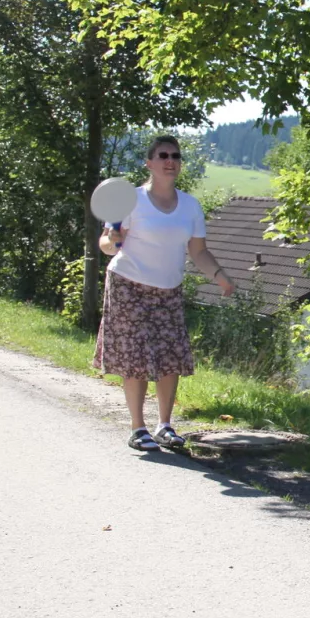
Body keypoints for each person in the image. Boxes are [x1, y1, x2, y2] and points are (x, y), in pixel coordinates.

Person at [94, 136, 235, 451]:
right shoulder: (130, 200)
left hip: (169, 290)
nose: (170, 161)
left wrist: (220, 275)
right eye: (163, 155)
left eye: (175, 156)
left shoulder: (190, 206)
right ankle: (137, 428)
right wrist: (113, 240)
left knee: (170, 356)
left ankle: (165, 426)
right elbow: (106, 244)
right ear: (149, 163)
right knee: (136, 355)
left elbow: (198, 251)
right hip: (128, 284)